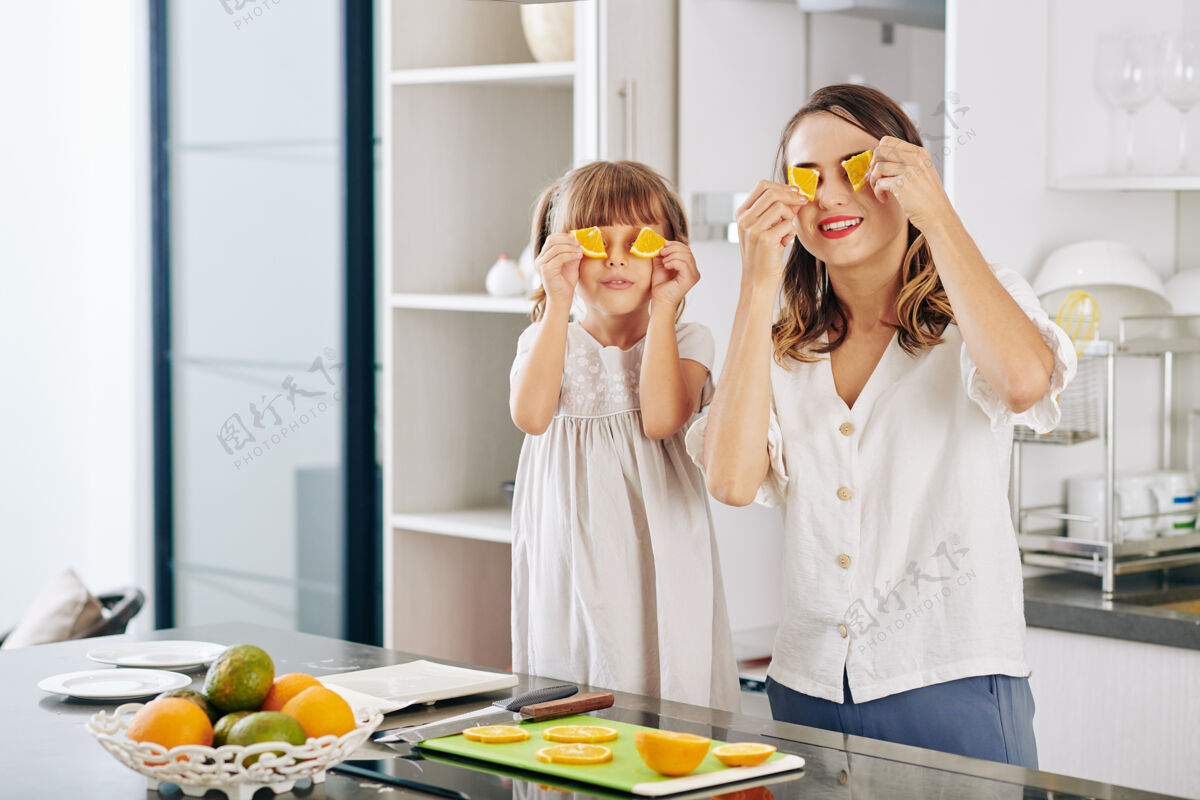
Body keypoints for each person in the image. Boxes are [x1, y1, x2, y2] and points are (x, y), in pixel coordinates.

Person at [688, 84, 1076, 766]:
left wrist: (937, 210)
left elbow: (1023, 383)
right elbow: (730, 479)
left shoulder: (978, 308)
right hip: (806, 691)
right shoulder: (782, 347)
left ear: (907, 175)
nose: (832, 196)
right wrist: (755, 286)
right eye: (809, 178)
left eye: (860, 169)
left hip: (951, 680)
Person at [509, 160, 740, 712]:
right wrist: (557, 299)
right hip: (567, 547)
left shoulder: (688, 337)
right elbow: (532, 416)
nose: (616, 257)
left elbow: (662, 419)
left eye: (640, 242)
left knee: (663, 670)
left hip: (657, 545)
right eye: (596, 241)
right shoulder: (543, 339)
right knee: (569, 670)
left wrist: (663, 306)